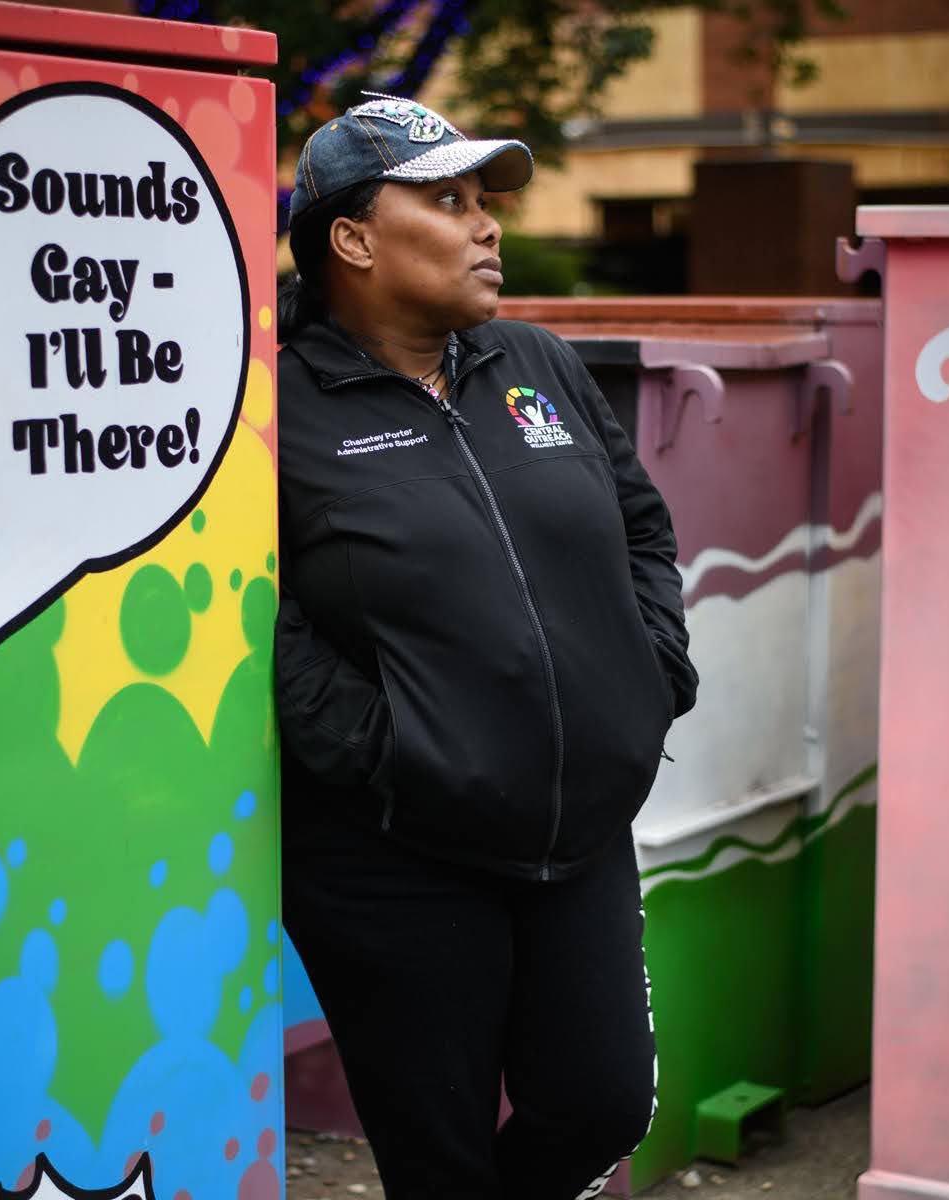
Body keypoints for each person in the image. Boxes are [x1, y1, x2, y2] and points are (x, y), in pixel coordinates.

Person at [273, 95, 697, 1200]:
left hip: (580, 828)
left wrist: (652, 677)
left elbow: (641, 526)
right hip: (397, 855)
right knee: (441, 1158)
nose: (487, 226)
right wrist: (388, 750)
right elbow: (248, 611)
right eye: (447, 200)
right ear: (352, 240)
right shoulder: (275, 412)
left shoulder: (537, 366)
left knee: (604, 1102)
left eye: (484, 202)